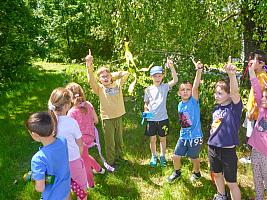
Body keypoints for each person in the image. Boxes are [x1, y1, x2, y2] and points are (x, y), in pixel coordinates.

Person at [85, 49, 129, 169]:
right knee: (110, 142)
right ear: (99, 79)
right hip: (107, 119)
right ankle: (111, 161)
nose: (105, 78)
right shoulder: (99, 88)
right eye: (102, 77)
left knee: (119, 140)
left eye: (107, 76)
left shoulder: (117, 84)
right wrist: (89, 65)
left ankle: (120, 157)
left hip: (119, 116)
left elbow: (126, 73)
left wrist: (112, 76)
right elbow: (91, 80)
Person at [208, 61, 242, 200]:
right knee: (216, 174)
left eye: (220, 93)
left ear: (228, 94)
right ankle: (221, 195)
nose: (216, 96)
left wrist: (231, 75)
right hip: (213, 147)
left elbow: (235, 92)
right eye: (215, 93)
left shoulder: (235, 108)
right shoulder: (217, 109)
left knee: (231, 181)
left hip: (228, 150)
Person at [167, 59, 203, 182]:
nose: (186, 91)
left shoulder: (194, 101)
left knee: (194, 158)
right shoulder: (179, 105)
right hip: (183, 136)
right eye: (183, 90)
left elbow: (196, 86)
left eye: (188, 89)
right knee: (175, 156)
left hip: (195, 137)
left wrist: (199, 71)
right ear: (178, 93)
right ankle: (177, 172)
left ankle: (197, 173)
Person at [48, 87, 87, 200]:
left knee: (64, 190)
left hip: (57, 164)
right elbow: (80, 143)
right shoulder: (71, 122)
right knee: (82, 189)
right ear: (66, 106)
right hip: (73, 161)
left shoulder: (48, 122)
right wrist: (79, 157)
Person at [66, 82, 105, 188]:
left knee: (84, 161)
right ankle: (98, 169)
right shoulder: (89, 104)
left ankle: (91, 184)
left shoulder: (71, 112)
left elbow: (70, 131)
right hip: (90, 137)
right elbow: (96, 121)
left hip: (80, 141)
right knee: (85, 155)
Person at [25, 112, 71, 200]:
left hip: (53, 196)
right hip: (66, 190)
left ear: (35, 135)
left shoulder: (38, 159)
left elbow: (40, 188)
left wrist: (34, 179)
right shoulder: (63, 141)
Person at [144, 58, 178, 167]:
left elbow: (175, 80)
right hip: (151, 119)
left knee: (163, 139)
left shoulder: (165, 87)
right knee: (153, 139)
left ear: (163, 76)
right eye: (155, 76)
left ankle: (162, 156)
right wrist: (145, 110)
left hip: (163, 119)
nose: (157, 78)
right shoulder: (148, 89)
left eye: (159, 76)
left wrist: (171, 66)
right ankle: (154, 156)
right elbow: (146, 103)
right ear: (151, 77)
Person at [240, 50, 267, 164]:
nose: (250, 61)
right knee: (250, 134)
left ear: (261, 63)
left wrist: (253, 110)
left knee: (253, 136)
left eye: (253, 59)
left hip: (256, 113)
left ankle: (253, 158)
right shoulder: (258, 75)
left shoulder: (262, 76)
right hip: (253, 111)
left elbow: (259, 96)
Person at [248, 57, 267, 200]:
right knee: (257, 180)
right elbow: (256, 87)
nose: (263, 99)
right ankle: (259, 197)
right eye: (264, 96)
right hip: (256, 150)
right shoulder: (261, 108)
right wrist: (251, 69)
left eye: (266, 97)